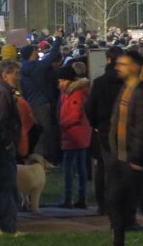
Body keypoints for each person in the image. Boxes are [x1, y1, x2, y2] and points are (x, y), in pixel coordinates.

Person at [107, 50, 143, 246]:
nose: (118, 67)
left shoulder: (142, 91)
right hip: (119, 157)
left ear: (135, 67)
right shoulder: (125, 88)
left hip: (132, 159)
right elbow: (117, 120)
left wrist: (137, 157)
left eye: (123, 64)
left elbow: (142, 126)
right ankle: (118, 240)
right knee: (115, 202)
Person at [0, 60, 23, 238]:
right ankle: (8, 228)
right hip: (1, 147)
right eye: (15, 73)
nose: (18, 77)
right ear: (5, 75)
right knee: (7, 186)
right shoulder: (2, 93)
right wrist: (8, 142)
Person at [85, 45, 124, 216]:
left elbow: (90, 107)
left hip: (103, 128)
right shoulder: (126, 82)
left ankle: (103, 205)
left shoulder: (100, 82)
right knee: (121, 167)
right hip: (122, 129)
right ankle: (120, 204)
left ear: (108, 59)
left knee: (102, 167)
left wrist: (95, 124)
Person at [19, 31, 63, 160]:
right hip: (42, 104)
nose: (37, 52)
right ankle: (44, 157)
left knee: (34, 130)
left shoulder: (22, 69)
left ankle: (35, 155)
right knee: (45, 132)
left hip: (30, 104)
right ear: (30, 54)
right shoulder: (38, 67)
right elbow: (53, 54)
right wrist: (58, 38)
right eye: (35, 51)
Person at [57, 65, 91, 209]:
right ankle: (81, 198)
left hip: (74, 134)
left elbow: (75, 114)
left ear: (69, 80)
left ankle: (68, 198)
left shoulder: (75, 93)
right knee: (80, 166)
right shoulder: (70, 92)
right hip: (77, 134)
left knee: (68, 167)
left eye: (62, 80)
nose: (60, 83)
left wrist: (62, 124)